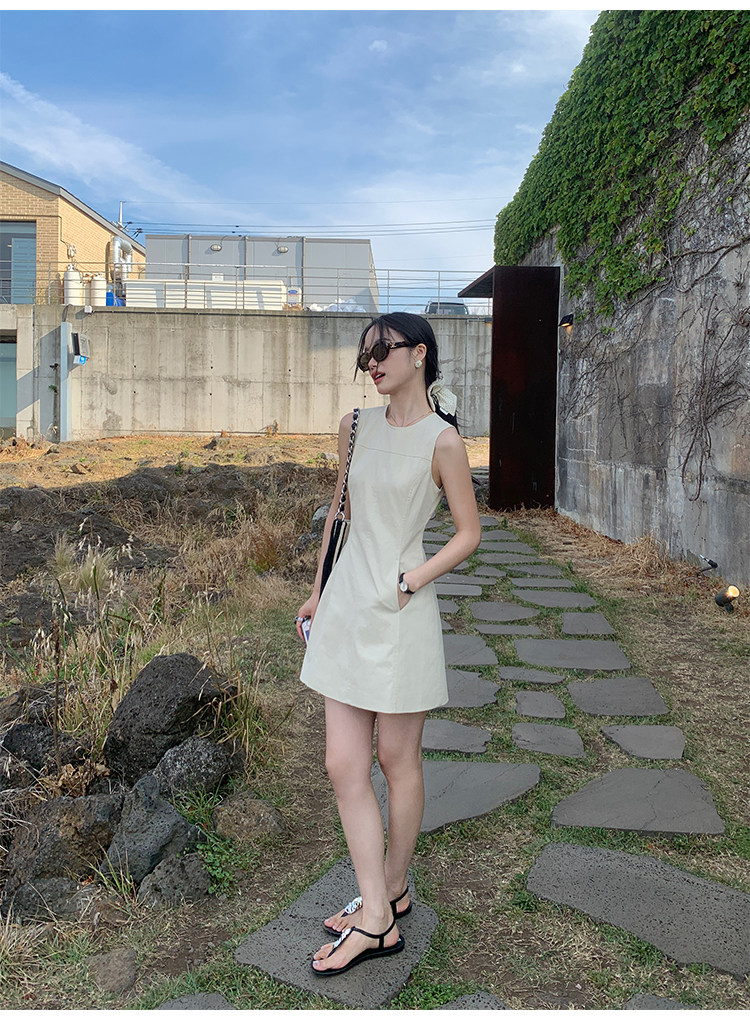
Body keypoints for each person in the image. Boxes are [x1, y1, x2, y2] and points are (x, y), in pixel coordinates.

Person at [295, 311, 481, 976]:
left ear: (419, 354)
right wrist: (317, 592)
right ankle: (377, 912)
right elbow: (339, 516)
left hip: (400, 612)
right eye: (365, 355)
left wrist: (413, 579)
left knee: (398, 760)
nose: (372, 363)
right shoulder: (354, 427)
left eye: (383, 351)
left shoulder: (443, 442)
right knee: (343, 765)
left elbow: (467, 532)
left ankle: (391, 893)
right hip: (346, 606)